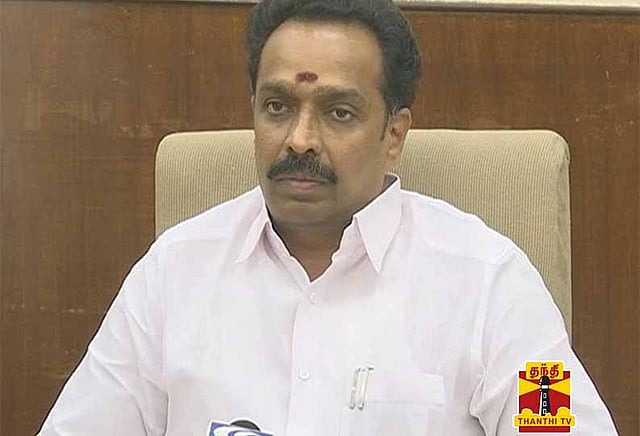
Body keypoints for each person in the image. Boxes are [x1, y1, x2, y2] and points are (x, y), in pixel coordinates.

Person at [39, 0, 618, 435]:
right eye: (277, 107)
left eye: (339, 112)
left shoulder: (490, 282)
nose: (300, 139)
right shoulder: (174, 272)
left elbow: (559, 427)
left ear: (394, 135)